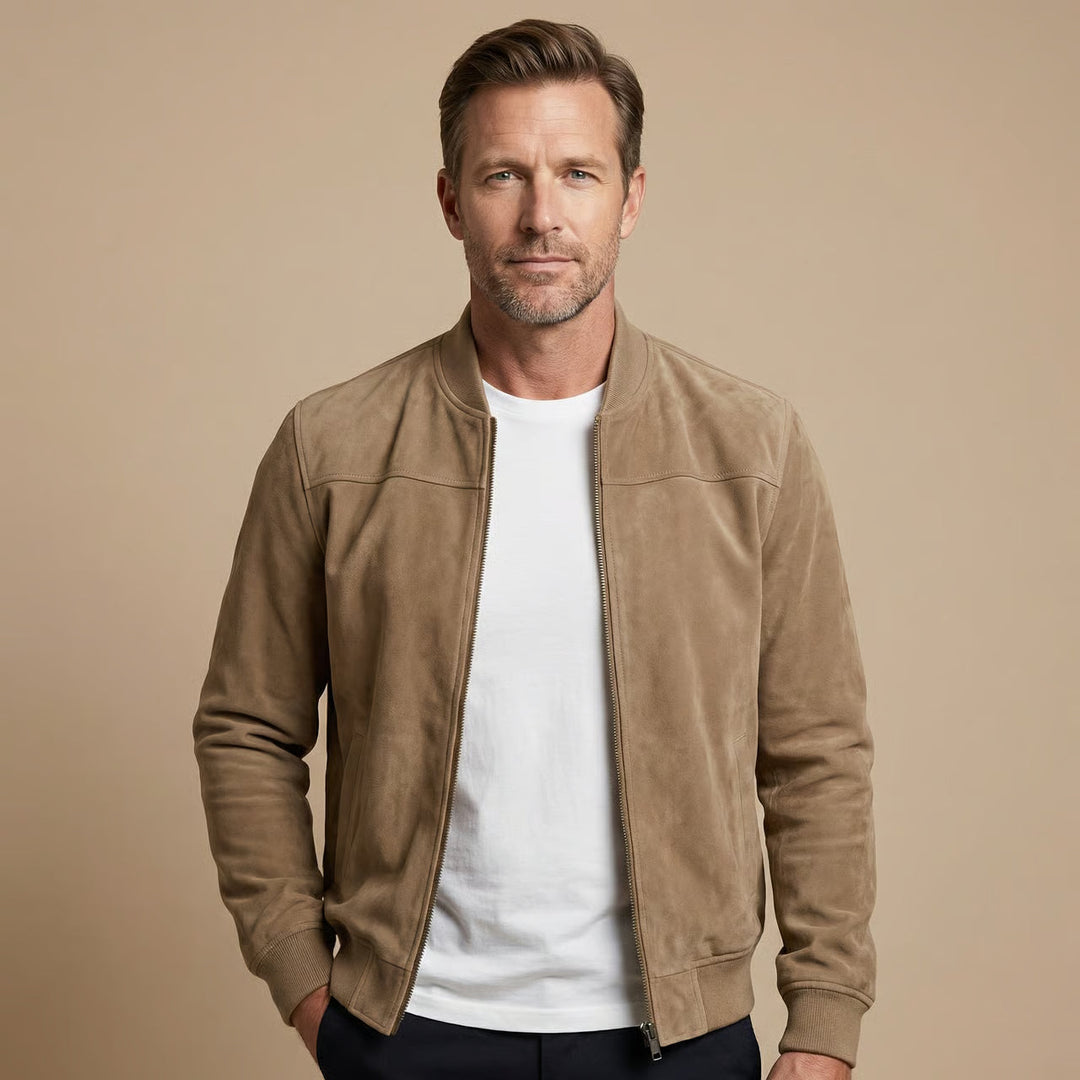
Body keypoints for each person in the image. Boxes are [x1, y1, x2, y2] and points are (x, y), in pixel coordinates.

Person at [192, 18, 875, 1080]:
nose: (542, 215)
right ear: (450, 201)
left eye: (578, 174)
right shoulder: (334, 447)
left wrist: (824, 1023)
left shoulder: (751, 448)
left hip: (679, 1039)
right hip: (408, 1029)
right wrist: (307, 987)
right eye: (503, 174)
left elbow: (816, 750)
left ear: (631, 199)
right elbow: (246, 726)